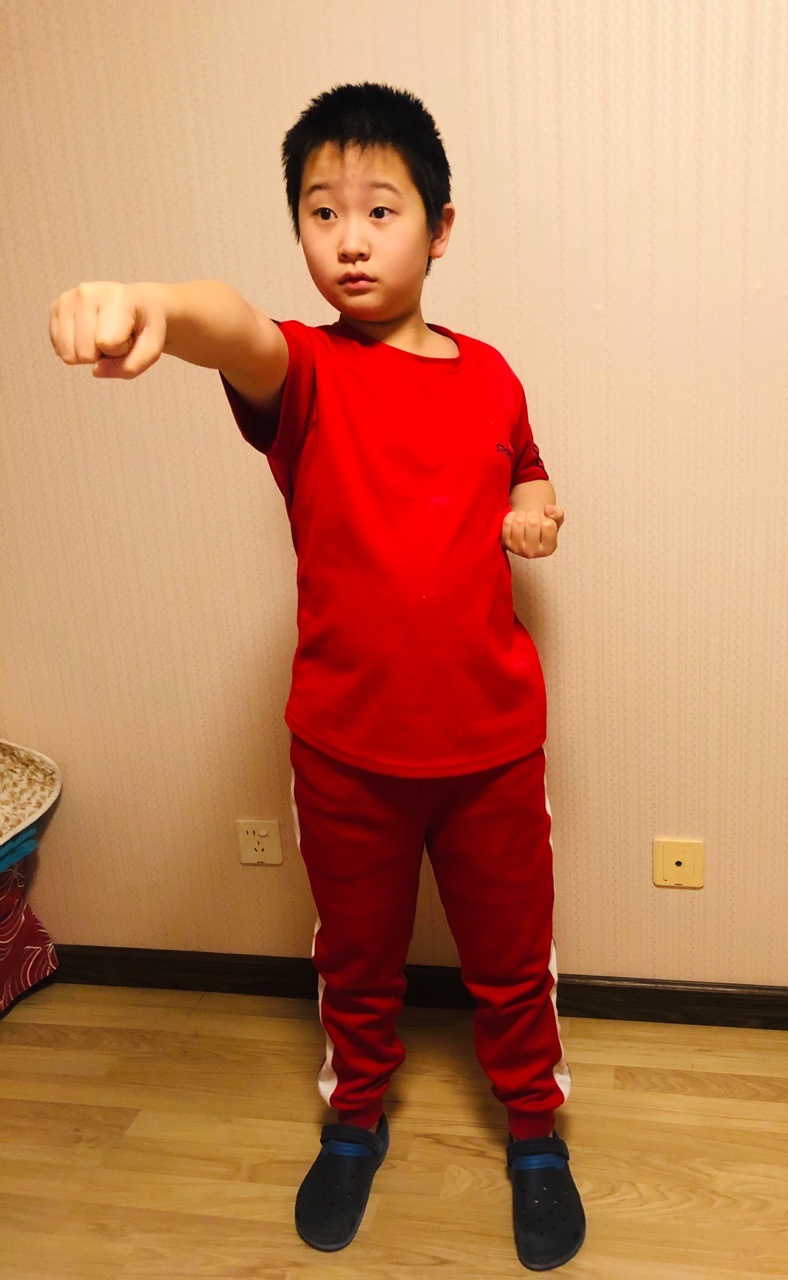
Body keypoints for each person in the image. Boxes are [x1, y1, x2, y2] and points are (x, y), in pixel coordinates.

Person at [48, 79, 585, 1272]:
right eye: (321, 210)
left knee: (514, 958)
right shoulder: (303, 371)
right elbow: (227, 322)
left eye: (381, 209)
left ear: (440, 228)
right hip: (344, 748)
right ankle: (355, 1120)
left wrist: (537, 509)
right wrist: (150, 303)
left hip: (494, 743)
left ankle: (535, 1132)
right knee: (355, 956)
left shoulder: (494, 374)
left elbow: (529, 465)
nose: (349, 237)